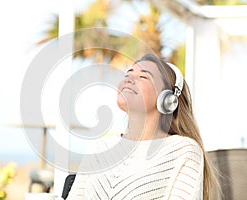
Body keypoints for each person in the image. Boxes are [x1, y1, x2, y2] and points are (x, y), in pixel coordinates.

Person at [66, 53, 220, 200]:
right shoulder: (101, 146)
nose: (129, 79)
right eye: (128, 74)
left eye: (143, 76)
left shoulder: (184, 150)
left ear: (167, 99)